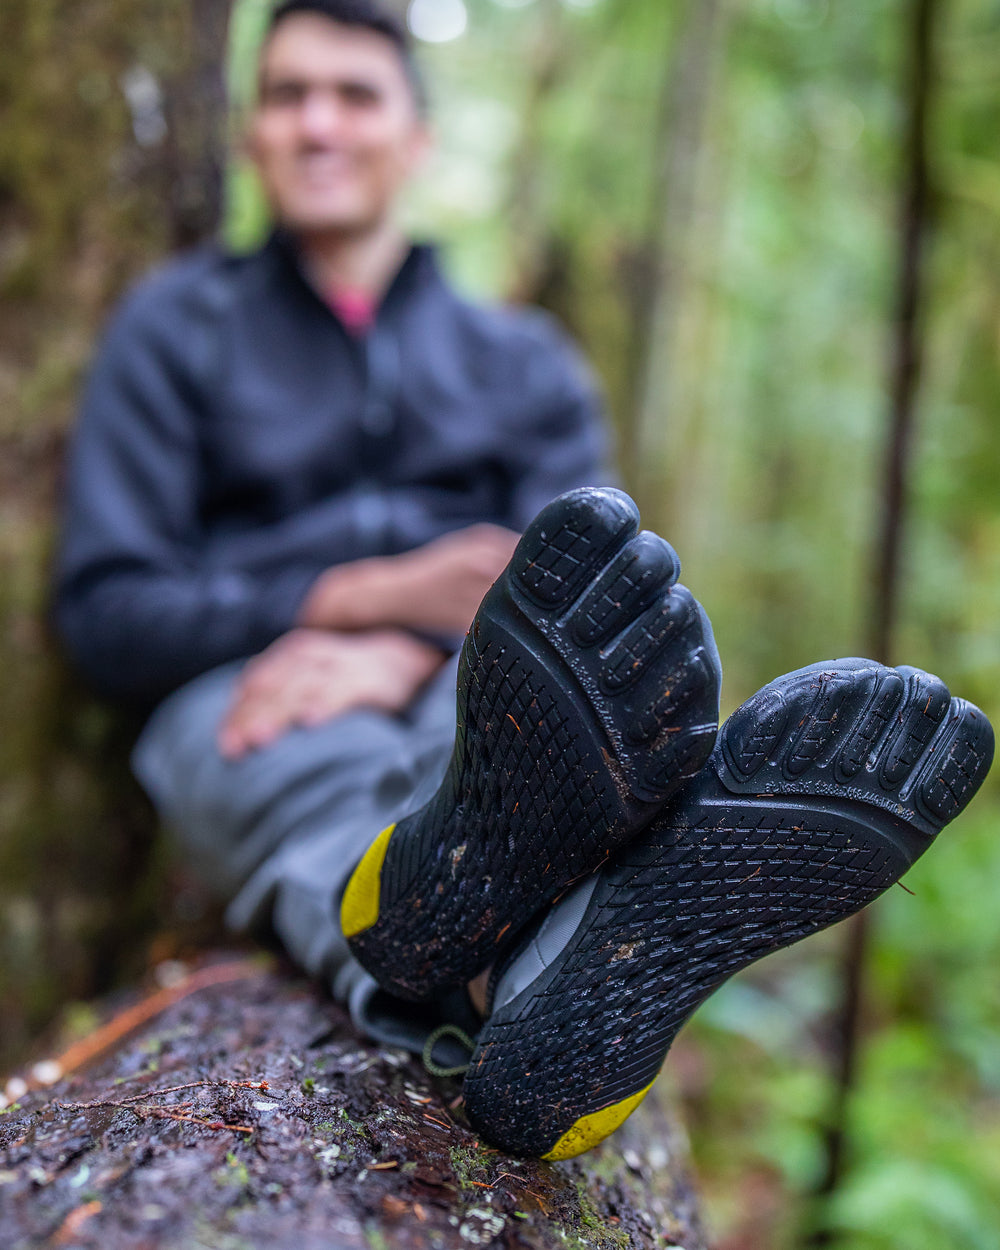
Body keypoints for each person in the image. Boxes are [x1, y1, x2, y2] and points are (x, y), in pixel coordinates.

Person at [54, 0, 995, 1161]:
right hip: (248, 687)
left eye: (354, 95)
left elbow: (598, 602)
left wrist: (408, 642)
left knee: (534, 733)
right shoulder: (173, 331)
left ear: (416, 137)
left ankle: (495, 948)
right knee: (301, 764)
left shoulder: (524, 365)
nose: (317, 124)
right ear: (250, 134)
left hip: (473, 680)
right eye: (288, 95)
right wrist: (355, 598)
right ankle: (497, 949)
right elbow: (107, 613)